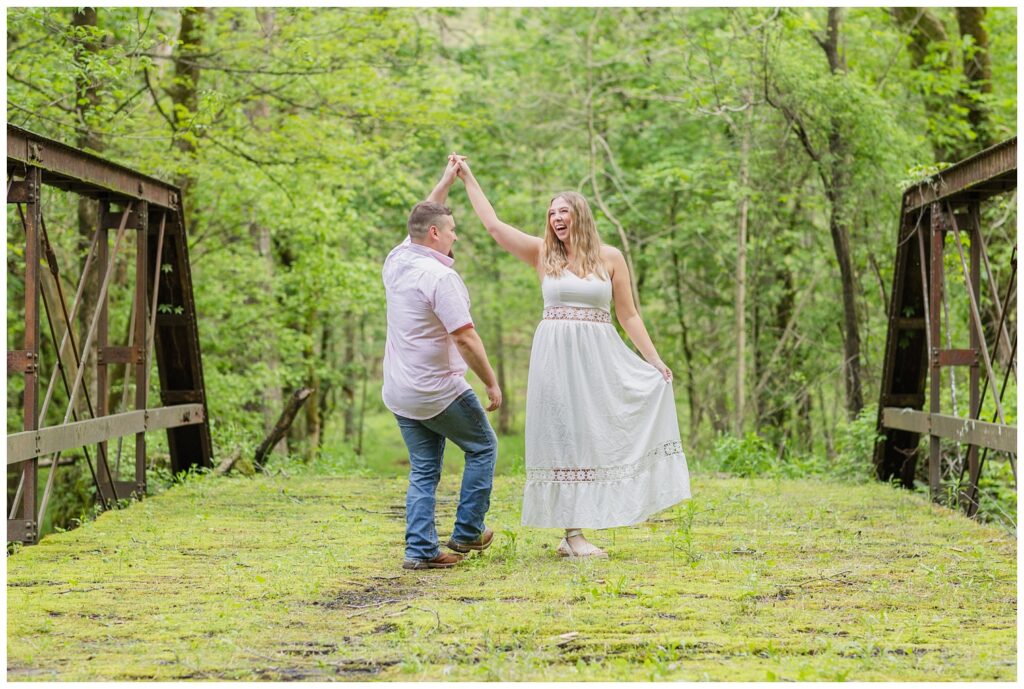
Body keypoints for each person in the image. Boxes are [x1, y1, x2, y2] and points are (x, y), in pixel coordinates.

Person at [453, 155, 690, 558]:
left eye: (563, 210)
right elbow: (494, 226)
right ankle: (572, 533)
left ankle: (593, 520)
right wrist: (468, 177)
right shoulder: (544, 254)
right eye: (551, 212)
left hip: (599, 359)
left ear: (579, 215)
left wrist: (653, 359)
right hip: (556, 359)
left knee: (596, 432)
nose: (555, 217)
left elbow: (628, 314)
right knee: (565, 436)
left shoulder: (610, 257)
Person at [382, 157, 502, 570]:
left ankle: (420, 552)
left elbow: (424, 214)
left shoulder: (397, 260)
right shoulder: (439, 278)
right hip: (437, 389)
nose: (456, 236)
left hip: (400, 392)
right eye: (451, 230)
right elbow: (466, 338)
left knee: (424, 470)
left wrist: (447, 180)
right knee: (483, 447)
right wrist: (491, 383)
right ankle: (468, 532)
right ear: (435, 234)